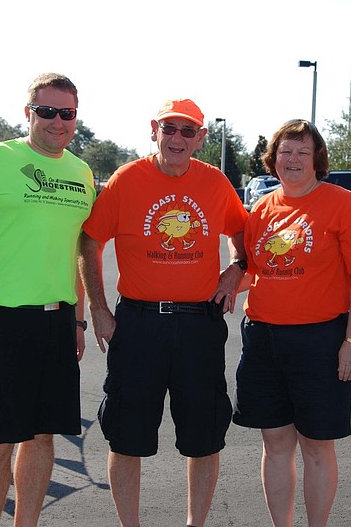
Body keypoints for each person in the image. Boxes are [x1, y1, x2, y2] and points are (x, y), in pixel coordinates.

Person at [79, 98, 248, 527]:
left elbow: (244, 230)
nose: (177, 139)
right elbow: (90, 242)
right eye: (169, 129)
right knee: (126, 435)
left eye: (187, 131)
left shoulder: (215, 182)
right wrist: (98, 309)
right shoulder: (127, 179)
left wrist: (237, 268)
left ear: (201, 139)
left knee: (205, 435)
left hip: (199, 324)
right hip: (138, 325)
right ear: (154, 129)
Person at [0, 73, 95, 527]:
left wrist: (79, 321)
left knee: (43, 437)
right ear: (28, 113)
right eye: (46, 111)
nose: (57, 122)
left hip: (58, 320)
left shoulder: (81, 172)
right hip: (3, 320)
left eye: (66, 113)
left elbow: (79, 251)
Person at [232, 119, 351, 527]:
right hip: (262, 338)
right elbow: (255, 272)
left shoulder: (342, 203)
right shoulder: (261, 209)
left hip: (321, 339)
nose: (293, 160)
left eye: (302, 152)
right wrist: (223, 281)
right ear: (273, 158)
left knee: (317, 445)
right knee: (275, 442)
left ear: (317, 159)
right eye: (285, 152)